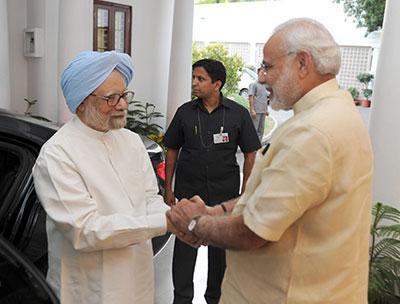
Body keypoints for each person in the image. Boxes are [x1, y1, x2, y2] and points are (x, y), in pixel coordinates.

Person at [168, 18, 373, 304]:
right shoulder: (337, 112)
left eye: (268, 66)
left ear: (302, 63)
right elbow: (273, 197)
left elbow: (253, 231)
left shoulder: (313, 132)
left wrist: (195, 224)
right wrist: (219, 211)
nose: (261, 78)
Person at [32, 51, 175, 304]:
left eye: (123, 94)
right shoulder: (57, 154)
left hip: (137, 282)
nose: (122, 104)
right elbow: (85, 231)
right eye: (111, 98)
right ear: (81, 103)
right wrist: (167, 223)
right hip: (89, 291)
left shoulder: (131, 142)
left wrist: (175, 216)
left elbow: (149, 198)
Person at [163, 58, 260, 304]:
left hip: (223, 194)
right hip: (188, 193)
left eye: (200, 78)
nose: (194, 83)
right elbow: (172, 149)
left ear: (217, 84)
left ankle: (215, 298)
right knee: (185, 250)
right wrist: (169, 188)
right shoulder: (185, 112)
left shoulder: (238, 114)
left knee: (220, 254)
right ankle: (181, 299)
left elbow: (251, 153)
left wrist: (245, 191)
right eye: (194, 78)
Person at [248, 68, 270, 143]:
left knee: (261, 130)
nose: (263, 73)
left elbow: (265, 99)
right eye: (262, 72)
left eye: (265, 72)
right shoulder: (253, 85)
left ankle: (258, 146)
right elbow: (251, 97)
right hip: (256, 111)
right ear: (258, 73)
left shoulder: (264, 86)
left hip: (263, 111)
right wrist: (252, 110)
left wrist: (266, 110)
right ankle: (252, 146)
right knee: (254, 130)